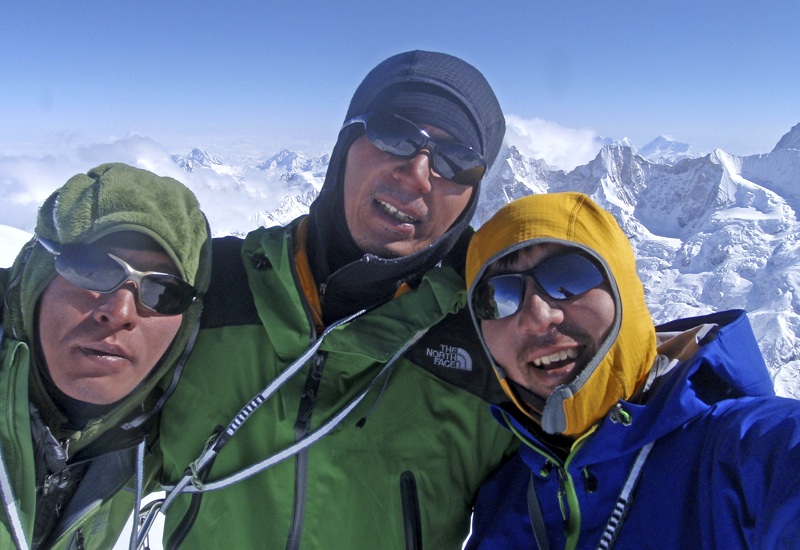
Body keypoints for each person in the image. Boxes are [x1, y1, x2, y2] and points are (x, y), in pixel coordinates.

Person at [155, 50, 517, 549]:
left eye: (457, 160)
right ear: (346, 145)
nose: (417, 173)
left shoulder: (491, 348)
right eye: (395, 133)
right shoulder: (207, 289)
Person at [463, 192, 800, 549]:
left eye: (568, 276)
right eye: (498, 296)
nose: (537, 317)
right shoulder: (502, 500)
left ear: (624, 289)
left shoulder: (744, 458)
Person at [0, 163, 211, 550]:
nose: (120, 312)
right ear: (37, 276)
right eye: (93, 269)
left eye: (163, 291)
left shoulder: (160, 439)